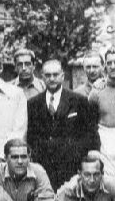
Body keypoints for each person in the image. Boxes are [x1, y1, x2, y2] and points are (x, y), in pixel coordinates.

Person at [27, 59, 100, 189]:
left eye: (55, 75)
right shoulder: (33, 104)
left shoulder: (79, 101)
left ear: (62, 76)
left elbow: (90, 133)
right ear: (42, 77)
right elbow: (32, 136)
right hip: (45, 165)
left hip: (71, 164)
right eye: (48, 75)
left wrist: (79, 153)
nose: (52, 79)